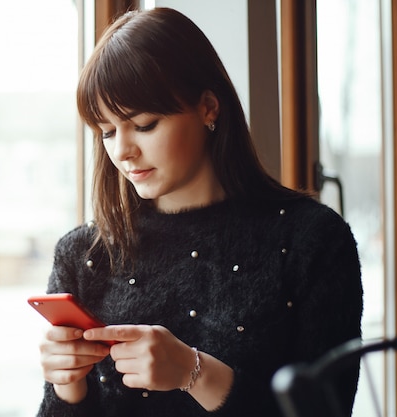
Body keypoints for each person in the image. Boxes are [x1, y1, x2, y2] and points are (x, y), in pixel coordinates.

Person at [35, 7, 363, 417]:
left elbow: (326, 410)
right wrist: (66, 387)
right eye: (107, 131)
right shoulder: (84, 253)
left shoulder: (312, 240)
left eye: (145, 124)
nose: (122, 151)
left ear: (208, 107)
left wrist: (195, 372)